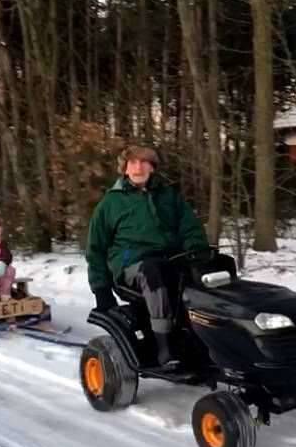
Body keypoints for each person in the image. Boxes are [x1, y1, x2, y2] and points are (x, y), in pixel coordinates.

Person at [86, 145, 209, 368]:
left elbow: (190, 228)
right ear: (124, 169)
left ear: (152, 167)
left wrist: (196, 251)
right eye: (132, 162)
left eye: (144, 162)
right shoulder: (110, 204)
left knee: (207, 273)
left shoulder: (169, 196)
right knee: (154, 272)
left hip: (172, 259)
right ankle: (165, 347)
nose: (138, 167)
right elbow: (96, 248)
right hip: (132, 267)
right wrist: (101, 289)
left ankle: (208, 339)